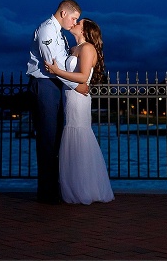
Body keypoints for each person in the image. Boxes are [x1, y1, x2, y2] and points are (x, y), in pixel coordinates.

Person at [44, 18, 114, 205]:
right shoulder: (73, 48)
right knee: (70, 134)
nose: (74, 23)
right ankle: (74, 186)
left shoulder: (88, 48)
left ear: (84, 30)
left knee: (79, 134)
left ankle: (85, 188)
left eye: (79, 22)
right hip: (69, 97)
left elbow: (83, 77)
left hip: (79, 99)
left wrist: (56, 71)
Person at [26, 0, 89, 204]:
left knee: (55, 139)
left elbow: (60, 65)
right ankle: (46, 193)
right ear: (63, 13)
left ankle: (54, 189)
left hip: (55, 86)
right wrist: (77, 86)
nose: (74, 23)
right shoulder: (47, 30)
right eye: (73, 18)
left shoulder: (59, 32)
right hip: (44, 86)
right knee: (47, 140)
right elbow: (51, 66)